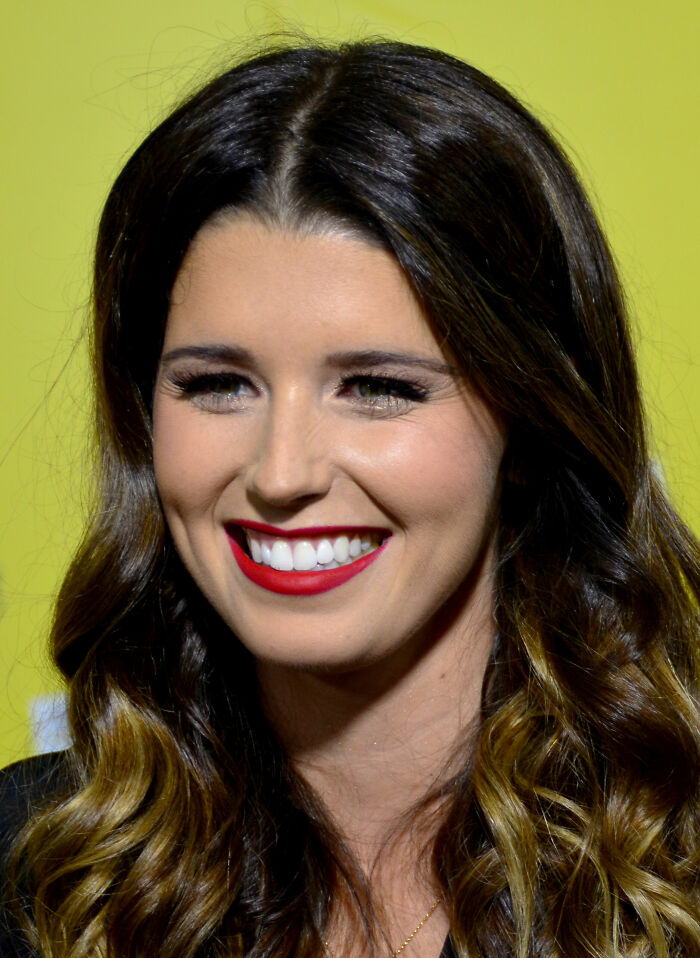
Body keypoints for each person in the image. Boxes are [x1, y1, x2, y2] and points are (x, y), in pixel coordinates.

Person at [0, 38, 698, 958]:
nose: (282, 472)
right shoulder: (41, 863)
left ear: (530, 424)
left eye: (378, 386)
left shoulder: (676, 861)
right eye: (217, 384)